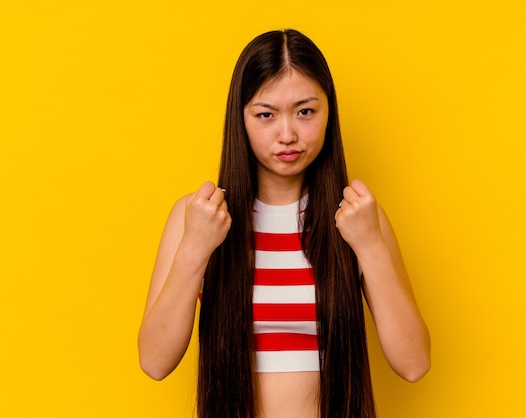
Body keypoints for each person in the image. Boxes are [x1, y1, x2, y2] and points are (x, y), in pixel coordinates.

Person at [138, 29, 430, 418]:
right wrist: (195, 247)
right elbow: (155, 362)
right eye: (265, 115)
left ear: (329, 112)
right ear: (240, 119)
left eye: (305, 111)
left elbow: (413, 364)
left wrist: (369, 245)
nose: (288, 134)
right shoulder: (198, 216)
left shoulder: (359, 217)